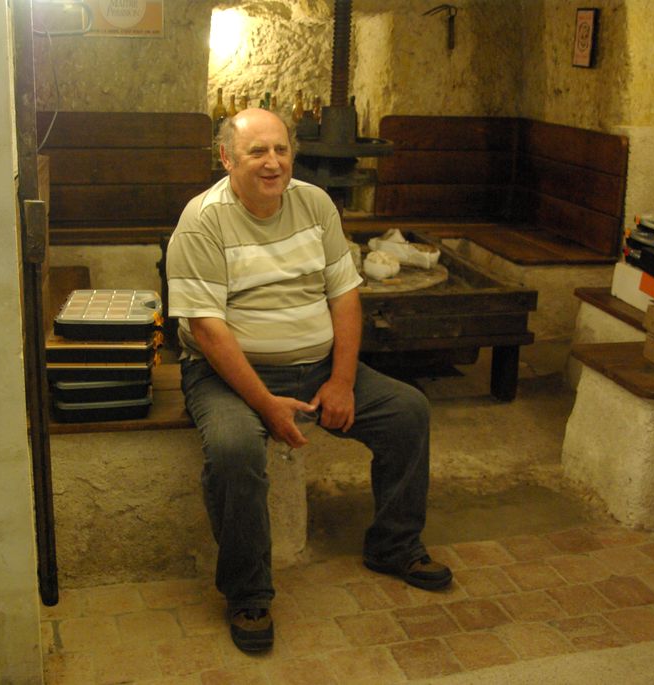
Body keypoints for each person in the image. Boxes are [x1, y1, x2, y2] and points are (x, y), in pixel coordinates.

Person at [165, 108, 451, 653]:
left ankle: (394, 545)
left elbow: (344, 295)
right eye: (257, 152)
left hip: (318, 368)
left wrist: (341, 381)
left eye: (281, 149)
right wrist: (265, 404)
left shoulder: (315, 204)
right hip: (227, 375)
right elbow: (207, 330)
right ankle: (248, 592)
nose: (272, 163)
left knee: (407, 411)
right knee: (233, 450)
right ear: (226, 158)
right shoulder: (202, 221)